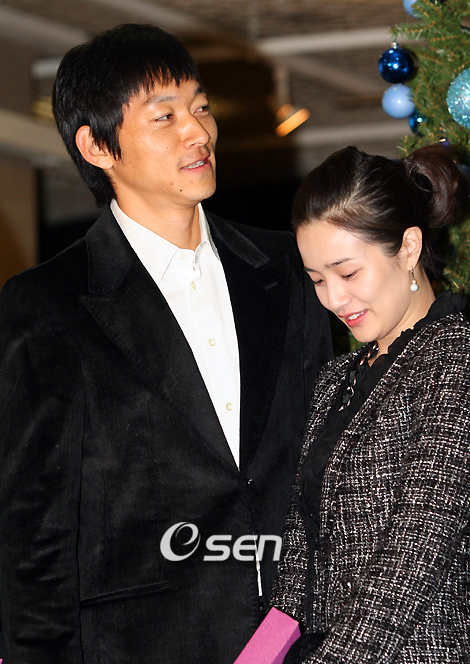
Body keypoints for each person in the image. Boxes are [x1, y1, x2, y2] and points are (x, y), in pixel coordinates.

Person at [0, 23, 332, 664]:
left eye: (200, 107)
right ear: (98, 146)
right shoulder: (46, 304)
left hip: (301, 639)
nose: (198, 132)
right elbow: (33, 532)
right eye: (165, 116)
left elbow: (322, 462)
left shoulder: (290, 268)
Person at [270, 144, 470, 662]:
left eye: (348, 272)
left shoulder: (455, 357)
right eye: (317, 280)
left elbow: (416, 547)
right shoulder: (337, 379)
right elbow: (300, 553)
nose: (334, 299)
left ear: (408, 247)